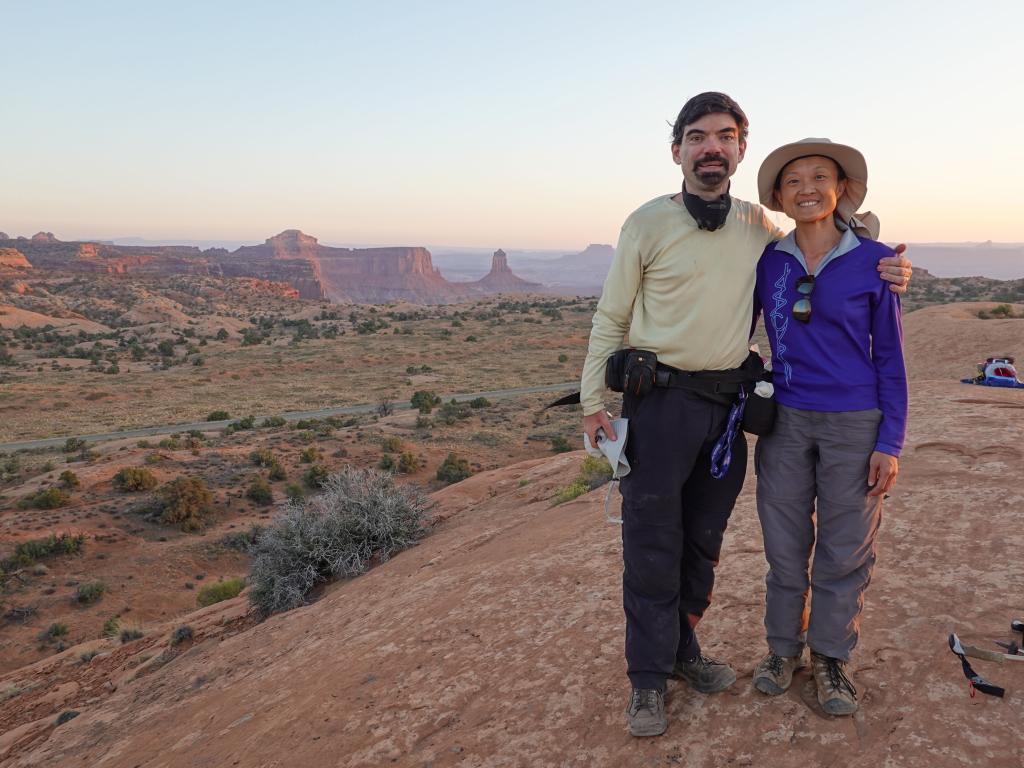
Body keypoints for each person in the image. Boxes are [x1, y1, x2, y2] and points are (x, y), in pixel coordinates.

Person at [579, 93, 912, 738]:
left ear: (738, 149)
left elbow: (834, 246)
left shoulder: (759, 227)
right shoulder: (653, 225)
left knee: (704, 542)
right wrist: (593, 400)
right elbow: (610, 316)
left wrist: (885, 259)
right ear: (676, 150)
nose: (711, 148)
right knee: (653, 542)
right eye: (698, 137)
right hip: (664, 405)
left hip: (729, 409)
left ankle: (690, 653)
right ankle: (650, 681)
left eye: (725, 137)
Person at [749, 139, 908, 716]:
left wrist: (889, 441)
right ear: (779, 196)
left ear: (841, 190)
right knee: (784, 545)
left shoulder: (875, 261)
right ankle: (782, 650)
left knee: (844, 548)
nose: (807, 188)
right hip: (785, 422)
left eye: (820, 177)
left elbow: (890, 357)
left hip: (854, 424)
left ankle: (832, 657)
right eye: (794, 180)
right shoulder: (769, 262)